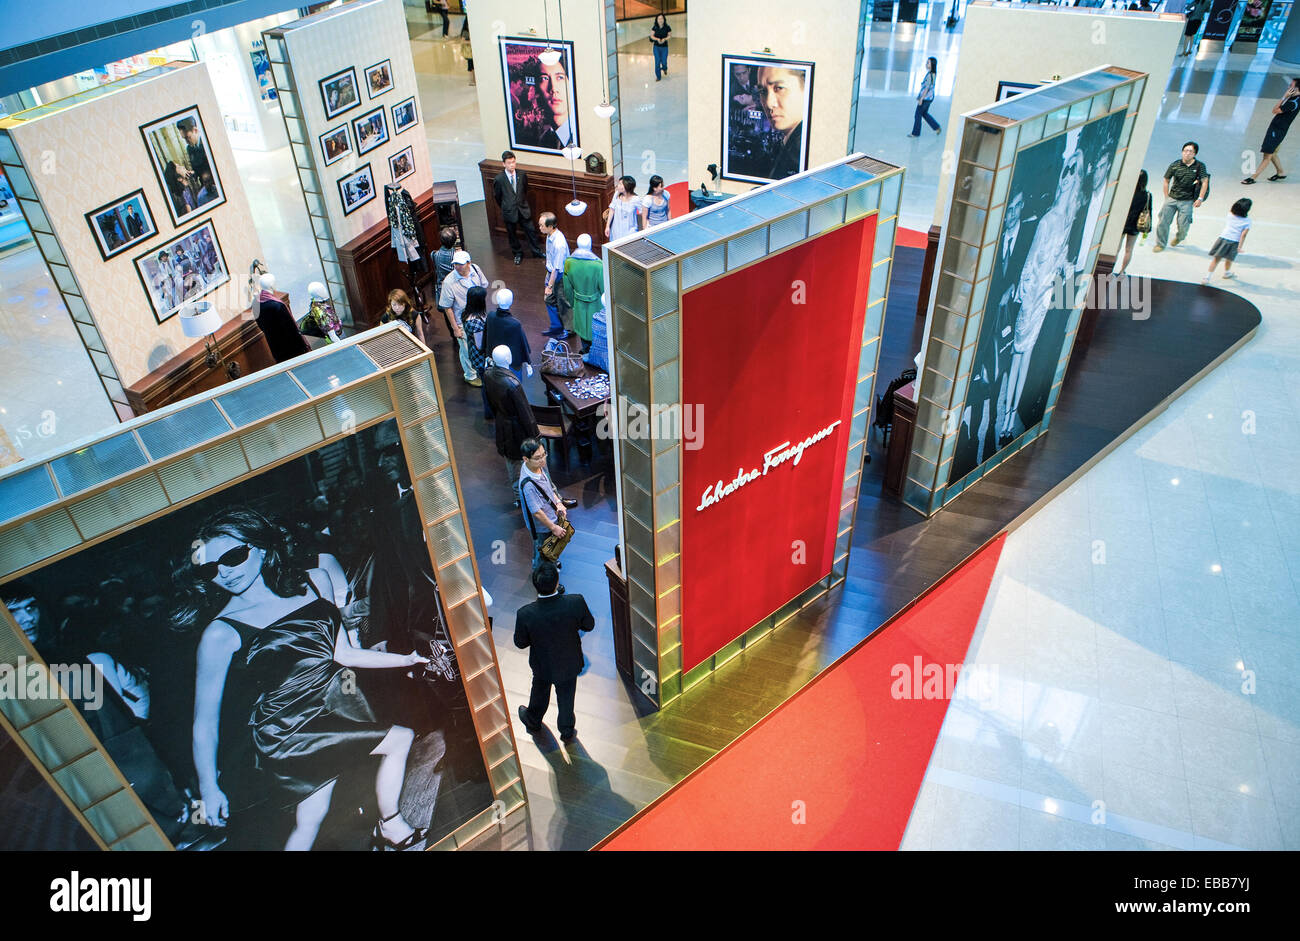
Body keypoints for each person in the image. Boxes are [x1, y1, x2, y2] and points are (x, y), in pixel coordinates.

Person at [186, 507, 432, 851]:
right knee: (399, 738)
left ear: (260, 547)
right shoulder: (220, 632)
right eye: (212, 568)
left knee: (311, 815)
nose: (224, 573)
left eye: (233, 557)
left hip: (330, 710)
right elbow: (204, 722)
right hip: (286, 728)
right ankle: (391, 825)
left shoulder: (315, 581)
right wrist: (208, 788)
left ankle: (388, 827)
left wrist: (405, 658)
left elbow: (343, 655)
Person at [513, 560, 594, 743]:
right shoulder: (576, 601)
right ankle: (566, 730)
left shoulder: (525, 613)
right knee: (567, 696)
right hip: (569, 661)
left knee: (540, 691)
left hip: (543, 664)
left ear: (535, 585)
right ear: (557, 582)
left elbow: (520, 643)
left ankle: (533, 720)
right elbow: (589, 625)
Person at [483, 346, 540, 506]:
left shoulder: (488, 375)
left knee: (511, 465)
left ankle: (518, 497)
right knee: (533, 463)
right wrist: (536, 436)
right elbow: (525, 413)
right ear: (508, 359)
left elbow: (489, 402)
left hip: (502, 425)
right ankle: (541, 495)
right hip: (518, 430)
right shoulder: (513, 384)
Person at [518, 438, 578, 573]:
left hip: (551, 517)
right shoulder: (528, 484)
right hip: (542, 527)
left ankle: (551, 563)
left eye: (544, 454)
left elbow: (548, 488)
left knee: (551, 549)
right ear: (525, 459)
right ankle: (542, 578)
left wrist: (558, 502)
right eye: (538, 457)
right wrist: (553, 527)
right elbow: (536, 512)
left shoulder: (538, 467)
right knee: (542, 553)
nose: (543, 460)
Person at [438, 249, 488, 386]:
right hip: (463, 321)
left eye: (460, 264)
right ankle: (470, 375)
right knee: (466, 349)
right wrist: (455, 328)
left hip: (480, 316)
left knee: (481, 344)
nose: (457, 267)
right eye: (455, 264)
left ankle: (482, 368)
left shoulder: (476, 270)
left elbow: (484, 286)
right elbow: (447, 307)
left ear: (469, 263)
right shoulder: (449, 282)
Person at [1152, 141, 1209, 252]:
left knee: (1184, 225)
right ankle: (1160, 244)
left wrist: (1200, 199)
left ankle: (1180, 237)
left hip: (1187, 201)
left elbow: (1205, 182)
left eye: (1190, 151)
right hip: (1172, 198)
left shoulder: (1199, 166)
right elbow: (1166, 180)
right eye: (1185, 151)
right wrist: (1166, 196)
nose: (1187, 153)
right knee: (1163, 222)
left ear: (1195, 154)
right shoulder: (1175, 165)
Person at [1243, 77, 1299, 184]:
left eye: (1291, 86)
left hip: (1277, 131)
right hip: (1278, 128)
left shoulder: (1293, 102)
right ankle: (1280, 172)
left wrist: (1284, 97)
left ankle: (1253, 178)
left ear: (1296, 89)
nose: (1288, 87)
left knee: (1267, 155)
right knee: (1272, 153)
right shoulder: (1295, 99)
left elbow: (1275, 110)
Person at [492, 151, 544, 265]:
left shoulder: (522, 174)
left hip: (523, 209)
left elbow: (524, 189)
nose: (512, 165)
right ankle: (517, 253)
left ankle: (536, 251)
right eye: (509, 163)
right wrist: (507, 205)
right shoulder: (499, 179)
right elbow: (497, 197)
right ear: (503, 164)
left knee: (531, 230)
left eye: (514, 162)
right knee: (512, 234)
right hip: (509, 211)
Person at [756, 65, 808, 179]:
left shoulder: (799, 151)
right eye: (762, 91)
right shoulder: (790, 144)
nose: (769, 103)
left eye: (779, 88)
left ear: (806, 88)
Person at [563, 234, 603, 354]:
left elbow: (567, 289)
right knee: (595, 328)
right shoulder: (598, 265)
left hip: (578, 302)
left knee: (582, 328)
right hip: (596, 304)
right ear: (590, 245)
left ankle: (585, 350)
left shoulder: (569, 263)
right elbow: (604, 290)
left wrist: (572, 302)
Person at [482, 288, 532, 382]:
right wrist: (528, 362)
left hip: (494, 358)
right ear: (511, 301)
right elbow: (522, 344)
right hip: (511, 362)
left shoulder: (490, 316)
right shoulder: (515, 323)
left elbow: (486, 336)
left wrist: (487, 354)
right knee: (514, 384)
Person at [539, 211, 571, 338]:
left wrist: (549, 286)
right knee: (549, 300)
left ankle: (567, 330)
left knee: (562, 302)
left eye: (542, 225)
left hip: (559, 275)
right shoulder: (549, 236)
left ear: (551, 226)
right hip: (551, 272)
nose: (540, 227)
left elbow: (556, 269)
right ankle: (556, 327)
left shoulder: (559, 244)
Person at [1204, 197, 1251, 282]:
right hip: (1235, 242)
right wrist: (1239, 247)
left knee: (1216, 259)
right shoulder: (1247, 221)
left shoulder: (1230, 215)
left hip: (1223, 238)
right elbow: (1243, 235)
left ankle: (1207, 277)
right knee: (1229, 259)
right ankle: (1227, 273)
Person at [1116, 169, 1151, 276]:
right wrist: (1147, 230)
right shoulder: (1147, 195)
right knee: (1129, 249)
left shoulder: (1126, 192)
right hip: (1135, 226)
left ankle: (1109, 268)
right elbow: (1149, 211)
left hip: (1122, 223)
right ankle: (1122, 271)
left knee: (1116, 249)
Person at [910, 57, 941, 138]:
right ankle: (936, 127)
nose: (926, 64)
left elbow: (926, 89)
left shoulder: (930, 75)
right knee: (924, 114)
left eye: (928, 63)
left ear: (932, 65)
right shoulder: (933, 74)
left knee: (917, 115)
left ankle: (915, 133)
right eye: (926, 62)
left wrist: (921, 99)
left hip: (925, 98)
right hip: (930, 98)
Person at [605, 176, 641, 242]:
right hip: (616, 231)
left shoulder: (636, 199)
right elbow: (612, 210)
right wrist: (607, 226)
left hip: (630, 232)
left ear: (627, 186)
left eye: (620, 184)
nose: (618, 185)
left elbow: (643, 213)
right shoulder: (616, 195)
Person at [650, 13, 671, 82]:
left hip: (664, 47)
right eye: (659, 19)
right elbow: (651, 36)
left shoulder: (667, 27)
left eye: (662, 18)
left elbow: (669, 36)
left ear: (664, 19)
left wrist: (665, 39)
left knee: (664, 61)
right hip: (656, 47)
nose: (660, 20)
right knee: (657, 61)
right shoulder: (654, 27)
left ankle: (665, 68)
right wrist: (657, 39)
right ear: (656, 20)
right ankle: (658, 76)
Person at [461, 22, 475, 86]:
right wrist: (470, 42)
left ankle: (473, 80)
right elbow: (462, 41)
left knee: (472, 66)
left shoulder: (473, 30)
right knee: (470, 66)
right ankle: (472, 81)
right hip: (469, 52)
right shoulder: (465, 32)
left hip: (472, 52)